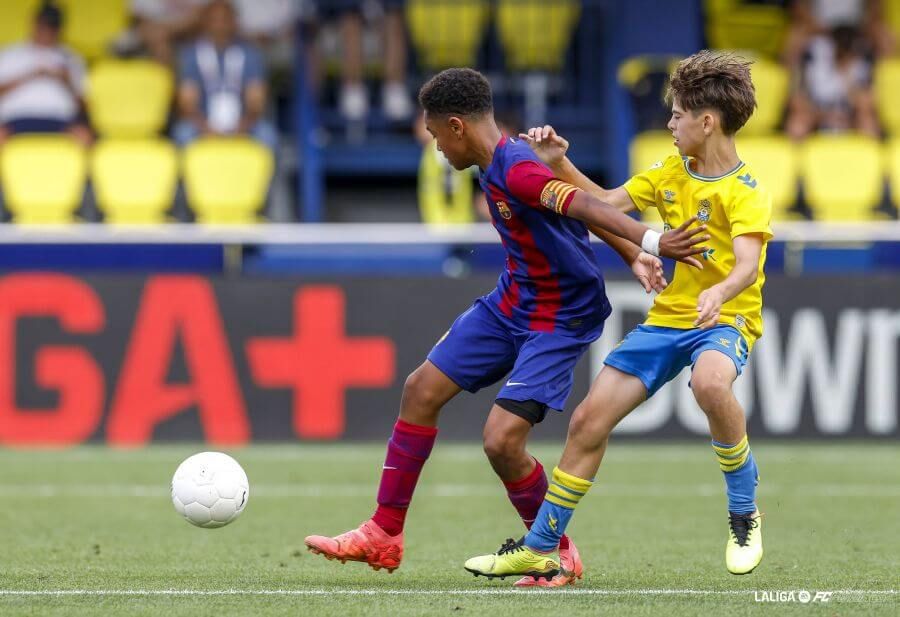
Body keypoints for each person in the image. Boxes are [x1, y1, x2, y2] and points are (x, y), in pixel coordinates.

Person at [304, 67, 709, 586]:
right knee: (421, 390)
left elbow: (584, 203)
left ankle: (554, 551)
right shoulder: (499, 163)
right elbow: (571, 210)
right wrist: (632, 254)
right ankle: (384, 532)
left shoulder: (517, 168)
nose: (436, 148)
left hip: (560, 316)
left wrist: (649, 242)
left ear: (456, 126)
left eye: (435, 135)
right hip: (513, 301)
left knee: (501, 442)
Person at [465, 50, 773, 582]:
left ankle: (744, 512)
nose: (670, 124)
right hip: (668, 321)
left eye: (677, 115)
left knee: (709, 383)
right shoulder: (670, 172)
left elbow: (747, 266)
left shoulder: (745, 192)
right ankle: (542, 546)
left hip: (724, 319)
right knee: (589, 420)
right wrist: (559, 163)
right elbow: (605, 203)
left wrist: (719, 292)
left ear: (707, 122)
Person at [172, 0, 277, 151]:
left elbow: (256, 102)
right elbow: (187, 105)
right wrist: (206, 129)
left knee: (267, 135)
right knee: (183, 133)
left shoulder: (250, 53)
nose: (220, 25)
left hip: (243, 124)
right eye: (214, 20)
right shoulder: (191, 55)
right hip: (203, 124)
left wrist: (241, 127)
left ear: (235, 22)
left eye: (225, 19)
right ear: (204, 22)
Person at [0, 2, 91, 146]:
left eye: (51, 27)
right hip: (15, 118)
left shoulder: (71, 58)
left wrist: (66, 81)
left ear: (59, 29)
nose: (46, 31)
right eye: (42, 25)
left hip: (59, 119)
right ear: (34, 23)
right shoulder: (9, 54)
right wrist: (31, 75)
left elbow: (84, 106)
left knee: (85, 137)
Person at [785, 24, 879, 140]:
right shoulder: (813, 55)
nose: (842, 49)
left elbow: (867, 103)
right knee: (797, 125)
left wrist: (846, 77)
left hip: (849, 117)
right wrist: (824, 116)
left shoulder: (862, 59)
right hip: (817, 115)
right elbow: (796, 98)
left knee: (868, 124)